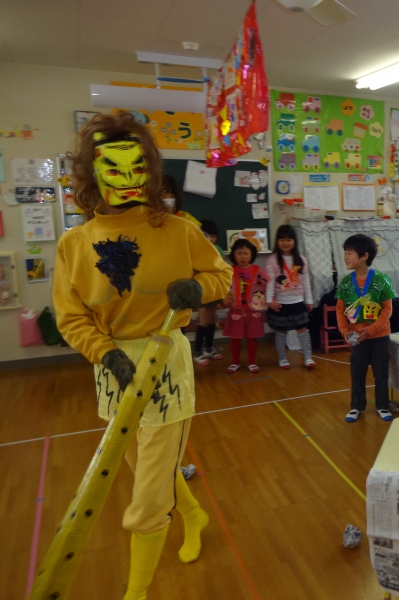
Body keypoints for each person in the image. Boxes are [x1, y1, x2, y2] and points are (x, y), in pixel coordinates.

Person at [53, 112, 232, 599]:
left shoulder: (179, 230)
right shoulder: (73, 245)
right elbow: (72, 317)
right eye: (113, 167)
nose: (127, 178)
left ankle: (136, 594)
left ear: (149, 171)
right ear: (91, 173)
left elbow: (221, 275)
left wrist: (197, 288)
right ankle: (193, 514)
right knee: (150, 470)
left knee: (148, 500)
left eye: (137, 167)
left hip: (164, 361)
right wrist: (105, 354)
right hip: (112, 367)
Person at [336, 234, 396, 423]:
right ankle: (356, 406)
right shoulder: (346, 283)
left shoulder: (382, 280)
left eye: (349, 253)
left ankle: (382, 406)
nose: (345, 257)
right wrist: (344, 330)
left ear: (364, 256)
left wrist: (372, 330)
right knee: (357, 373)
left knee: (381, 373)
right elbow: (340, 309)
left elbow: (387, 309)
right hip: (357, 338)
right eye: (345, 253)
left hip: (380, 338)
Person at [265, 224, 315, 369]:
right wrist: (269, 301)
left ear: (294, 241)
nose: (285, 243)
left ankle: (308, 358)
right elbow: (270, 281)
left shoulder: (301, 260)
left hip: (297, 301)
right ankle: (283, 359)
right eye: (282, 240)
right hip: (280, 302)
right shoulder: (272, 260)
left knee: (303, 330)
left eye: (288, 240)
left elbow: (306, 281)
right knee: (280, 331)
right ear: (277, 241)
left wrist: (309, 300)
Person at [223, 238, 268, 374]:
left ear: (251, 254)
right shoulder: (229, 271)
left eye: (245, 253)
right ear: (234, 255)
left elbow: (268, 285)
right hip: (236, 310)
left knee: (252, 338)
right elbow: (223, 287)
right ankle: (235, 362)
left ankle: (252, 362)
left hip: (253, 311)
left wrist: (268, 299)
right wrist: (224, 298)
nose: (242, 256)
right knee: (235, 338)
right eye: (239, 253)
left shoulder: (258, 270)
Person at [193, 219, 226, 365]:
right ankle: (197, 352)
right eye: (207, 235)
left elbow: (222, 268)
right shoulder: (197, 250)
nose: (211, 239)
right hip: (203, 289)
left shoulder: (218, 250)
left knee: (212, 318)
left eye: (213, 236)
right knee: (204, 320)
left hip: (216, 288)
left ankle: (209, 349)